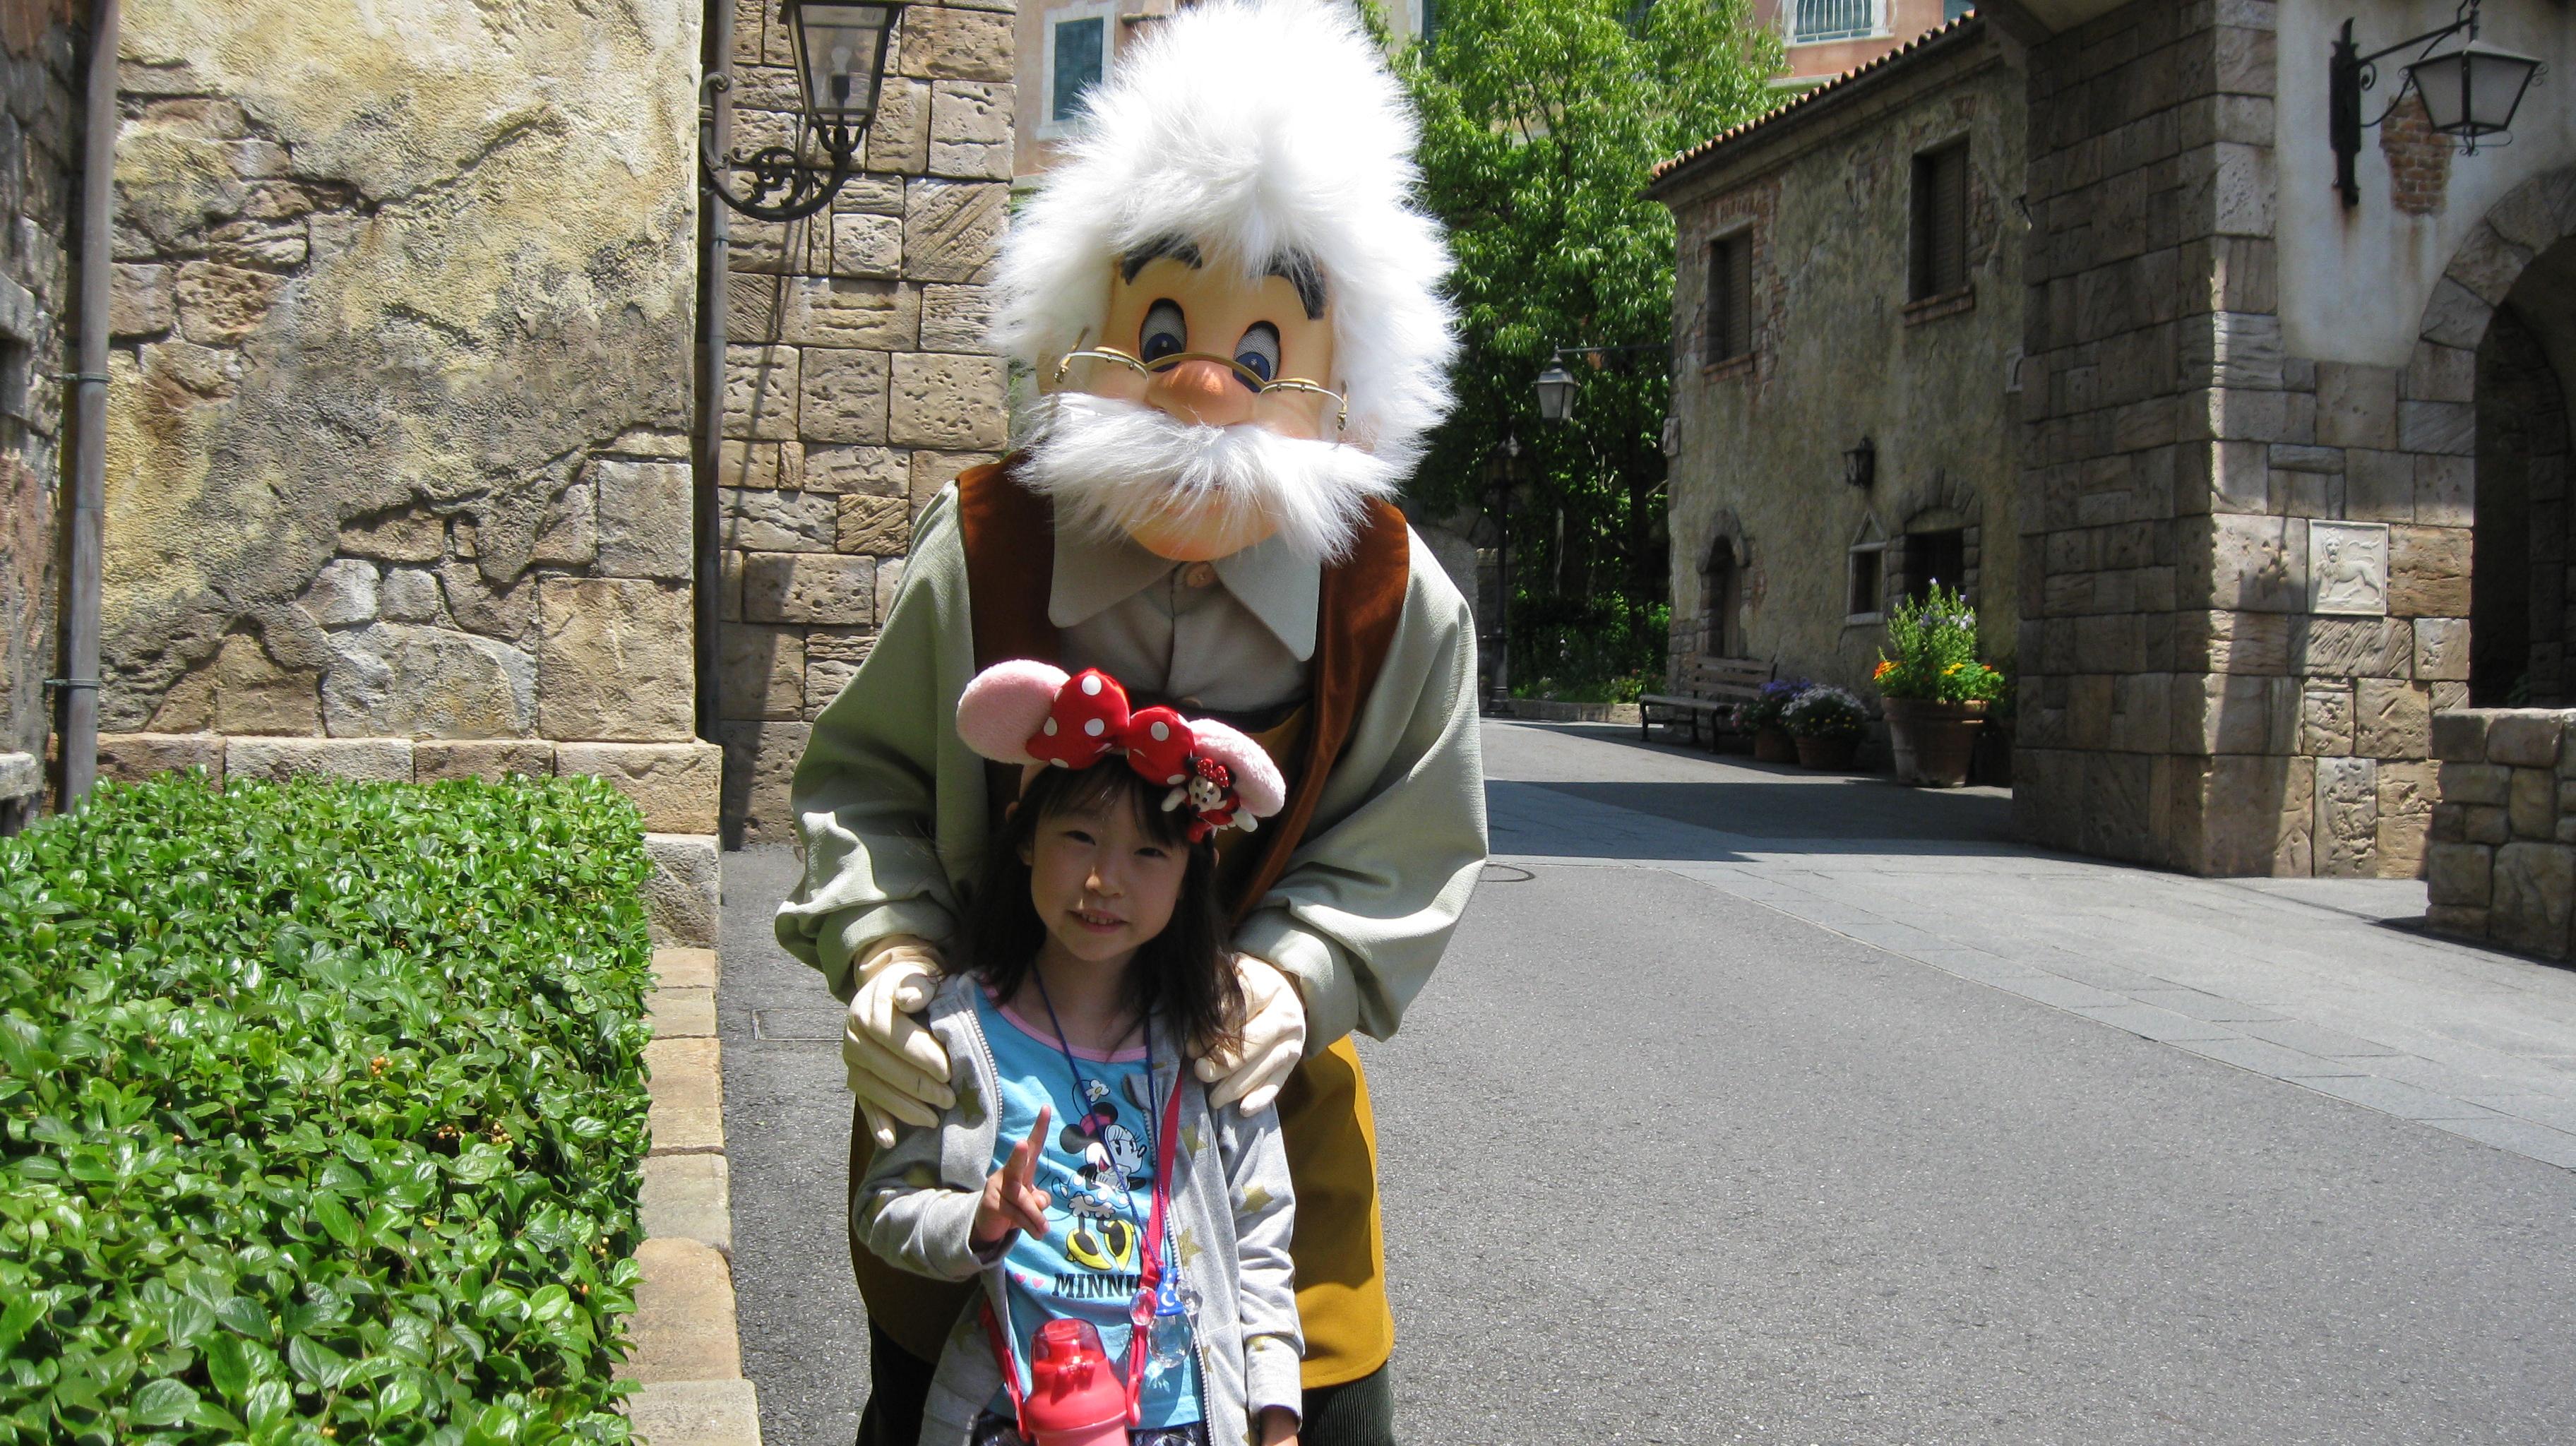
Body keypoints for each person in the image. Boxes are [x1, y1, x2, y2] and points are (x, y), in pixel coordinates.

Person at [778, 4, 1487, 1442]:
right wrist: (889, 945)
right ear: (1089, 319)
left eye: (1262, 343)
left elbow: (1410, 835)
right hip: (988, 1121)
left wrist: (1297, 972)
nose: (1203, 380)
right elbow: (870, 781)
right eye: (1162, 331)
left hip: (1250, 1130)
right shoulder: (985, 545)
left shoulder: (1389, 596)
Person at [857, 662, 1301, 1446]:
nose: (1104, 880)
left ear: (1189, 874)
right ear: (1025, 838)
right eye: (1080, 836)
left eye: (1149, 852)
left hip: (1189, 1422)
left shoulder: (1215, 1046)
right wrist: (978, 1219)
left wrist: (1276, 1416)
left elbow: (1261, 1243)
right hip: (1009, 1418)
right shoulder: (957, 1032)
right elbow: (884, 1206)